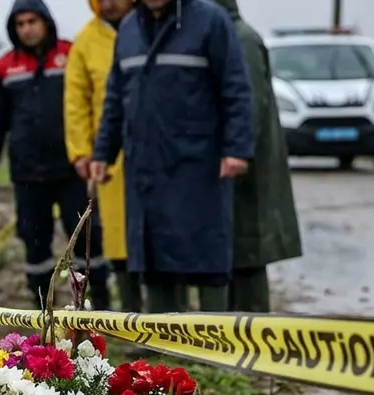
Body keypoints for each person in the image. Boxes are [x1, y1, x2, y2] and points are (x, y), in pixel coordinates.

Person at [90, 0, 254, 313]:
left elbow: (235, 89)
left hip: (198, 164)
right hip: (145, 165)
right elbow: (115, 98)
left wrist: (236, 149)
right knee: (154, 256)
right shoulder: (128, 29)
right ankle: (163, 346)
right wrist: (103, 152)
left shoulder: (210, 21)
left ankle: (213, 341)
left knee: (207, 254)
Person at [0, 0, 111, 310]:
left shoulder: (71, 53)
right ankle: (44, 314)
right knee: (35, 243)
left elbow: (90, 101)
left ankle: (100, 309)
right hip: (28, 173)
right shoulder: (4, 67)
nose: (26, 29)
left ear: (46, 23)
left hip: (72, 169)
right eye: (20, 24)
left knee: (86, 240)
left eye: (32, 22)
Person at [210, 0, 302, 312]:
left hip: (246, 172)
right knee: (236, 257)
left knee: (248, 255)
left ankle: (252, 339)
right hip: (236, 168)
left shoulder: (241, 38)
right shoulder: (224, 33)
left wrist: (234, 152)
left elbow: (248, 109)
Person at [64, 0, 140, 312]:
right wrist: (81, 151)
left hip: (159, 151)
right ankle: (132, 314)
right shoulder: (86, 41)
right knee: (119, 236)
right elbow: (76, 103)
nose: (109, 3)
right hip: (109, 158)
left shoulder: (151, 28)